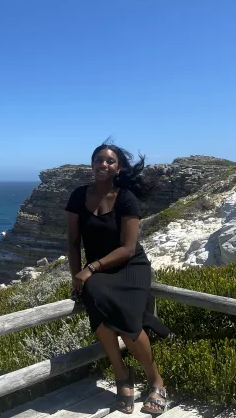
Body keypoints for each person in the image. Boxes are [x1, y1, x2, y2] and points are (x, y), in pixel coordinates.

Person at [65, 142, 171, 415]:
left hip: (129, 266)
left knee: (127, 322)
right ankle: (121, 372)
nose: (103, 164)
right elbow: (73, 242)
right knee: (94, 298)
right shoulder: (78, 196)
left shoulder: (126, 198)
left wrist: (91, 268)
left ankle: (156, 381)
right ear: (91, 163)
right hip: (97, 271)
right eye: (99, 159)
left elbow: (128, 248)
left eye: (110, 161)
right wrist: (76, 277)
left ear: (118, 167)